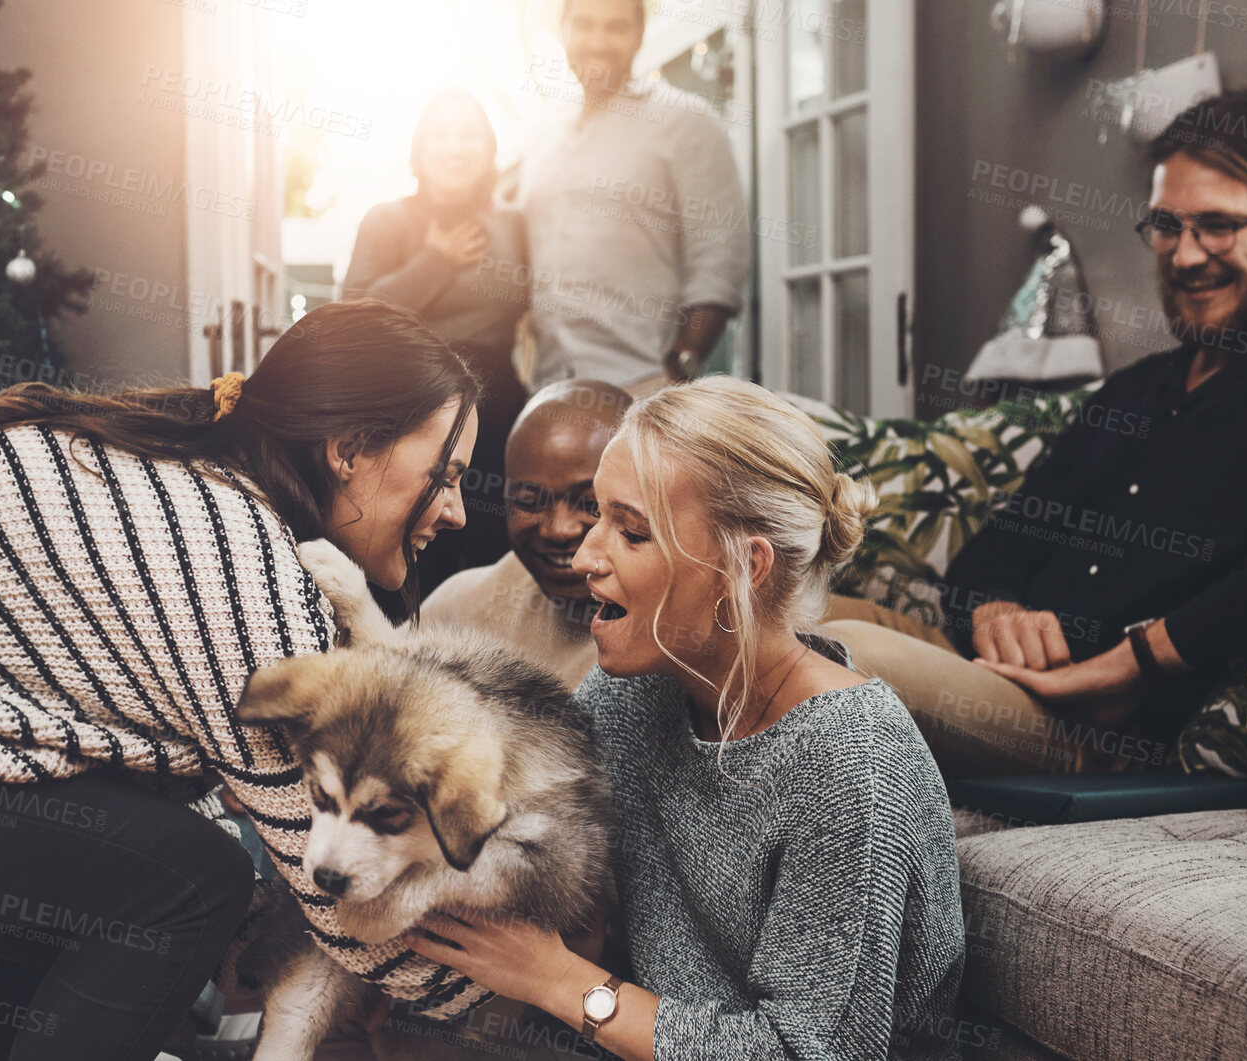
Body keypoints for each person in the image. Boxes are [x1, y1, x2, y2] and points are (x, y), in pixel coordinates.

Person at [0, 300, 493, 1061]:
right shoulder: (236, 554)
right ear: (349, 448)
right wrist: (552, 992)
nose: (455, 510)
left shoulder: (204, 493)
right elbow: (341, 894)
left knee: (113, 887)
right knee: (184, 882)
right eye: (445, 472)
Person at [826, 89, 1247, 778]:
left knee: (830, 655)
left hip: (1076, 724)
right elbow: (999, 545)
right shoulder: (1134, 389)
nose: (1184, 255)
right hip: (972, 662)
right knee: (753, 615)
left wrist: (1138, 659)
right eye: (1166, 226)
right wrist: (998, 610)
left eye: (1216, 224)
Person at [407, 377, 965, 1061]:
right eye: (599, 517)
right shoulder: (637, 695)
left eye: (630, 531)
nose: (584, 555)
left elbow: (806, 1054)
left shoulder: (850, 764)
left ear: (743, 565)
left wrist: (558, 978)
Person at [520, 0, 750, 393]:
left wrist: (676, 371)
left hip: (640, 385)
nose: (598, 42)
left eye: (616, 27)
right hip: (547, 389)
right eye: (584, 25)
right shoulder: (543, 136)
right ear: (563, 31)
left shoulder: (689, 124)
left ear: (640, 34)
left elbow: (720, 267)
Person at [344, 88, 528, 586]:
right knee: (418, 551)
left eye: (469, 133)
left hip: (497, 419)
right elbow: (354, 316)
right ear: (418, 150)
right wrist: (436, 261)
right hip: (411, 413)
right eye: (440, 133)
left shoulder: (514, 226)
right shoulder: (388, 219)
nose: (455, 146)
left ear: (490, 149)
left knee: (490, 561)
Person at [421, 378, 631, 688]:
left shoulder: (675, 638)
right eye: (529, 502)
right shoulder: (457, 611)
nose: (558, 530)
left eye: (590, 504)